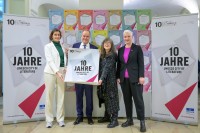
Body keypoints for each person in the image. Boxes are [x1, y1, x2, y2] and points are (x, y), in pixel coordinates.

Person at [117, 30, 146, 132]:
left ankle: (142, 121)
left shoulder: (137, 48)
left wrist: (141, 76)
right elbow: (119, 65)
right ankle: (129, 119)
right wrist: (118, 77)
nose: (126, 38)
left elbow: (141, 63)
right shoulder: (120, 50)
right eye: (125, 37)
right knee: (127, 100)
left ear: (132, 37)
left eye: (128, 36)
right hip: (124, 80)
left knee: (138, 100)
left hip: (135, 79)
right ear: (123, 37)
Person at [72, 30, 97, 125]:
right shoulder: (75, 46)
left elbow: (95, 63)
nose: (85, 38)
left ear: (89, 37)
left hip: (89, 77)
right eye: (84, 36)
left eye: (87, 36)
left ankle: (89, 117)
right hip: (78, 77)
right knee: (79, 97)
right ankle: (79, 116)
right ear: (81, 36)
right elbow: (72, 60)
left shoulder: (94, 48)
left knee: (89, 98)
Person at [44, 28, 67, 128]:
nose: (57, 36)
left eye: (58, 35)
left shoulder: (62, 46)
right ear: (52, 36)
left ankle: (60, 119)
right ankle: (49, 120)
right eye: (55, 35)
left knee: (61, 96)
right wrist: (57, 72)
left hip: (61, 73)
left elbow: (62, 60)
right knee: (49, 96)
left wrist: (65, 68)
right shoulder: (48, 46)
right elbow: (50, 61)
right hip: (50, 73)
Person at [98, 37, 119, 128]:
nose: (106, 44)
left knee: (112, 99)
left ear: (111, 45)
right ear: (103, 45)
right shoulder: (102, 55)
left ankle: (115, 119)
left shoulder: (112, 55)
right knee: (106, 99)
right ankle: (107, 116)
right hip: (103, 82)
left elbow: (107, 68)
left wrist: (101, 78)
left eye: (108, 43)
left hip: (110, 81)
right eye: (105, 43)